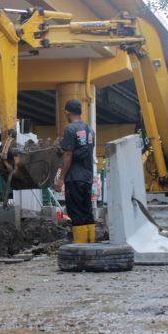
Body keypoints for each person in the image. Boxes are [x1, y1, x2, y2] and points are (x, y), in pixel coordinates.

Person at [54, 99, 96, 244]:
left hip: (74, 178)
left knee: (76, 213)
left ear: (67, 112)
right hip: (87, 177)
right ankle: (91, 246)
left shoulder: (70, 129)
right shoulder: (90, 130)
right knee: (87, 212)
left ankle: (81, 249)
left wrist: (61, 178)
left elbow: (68, 155)